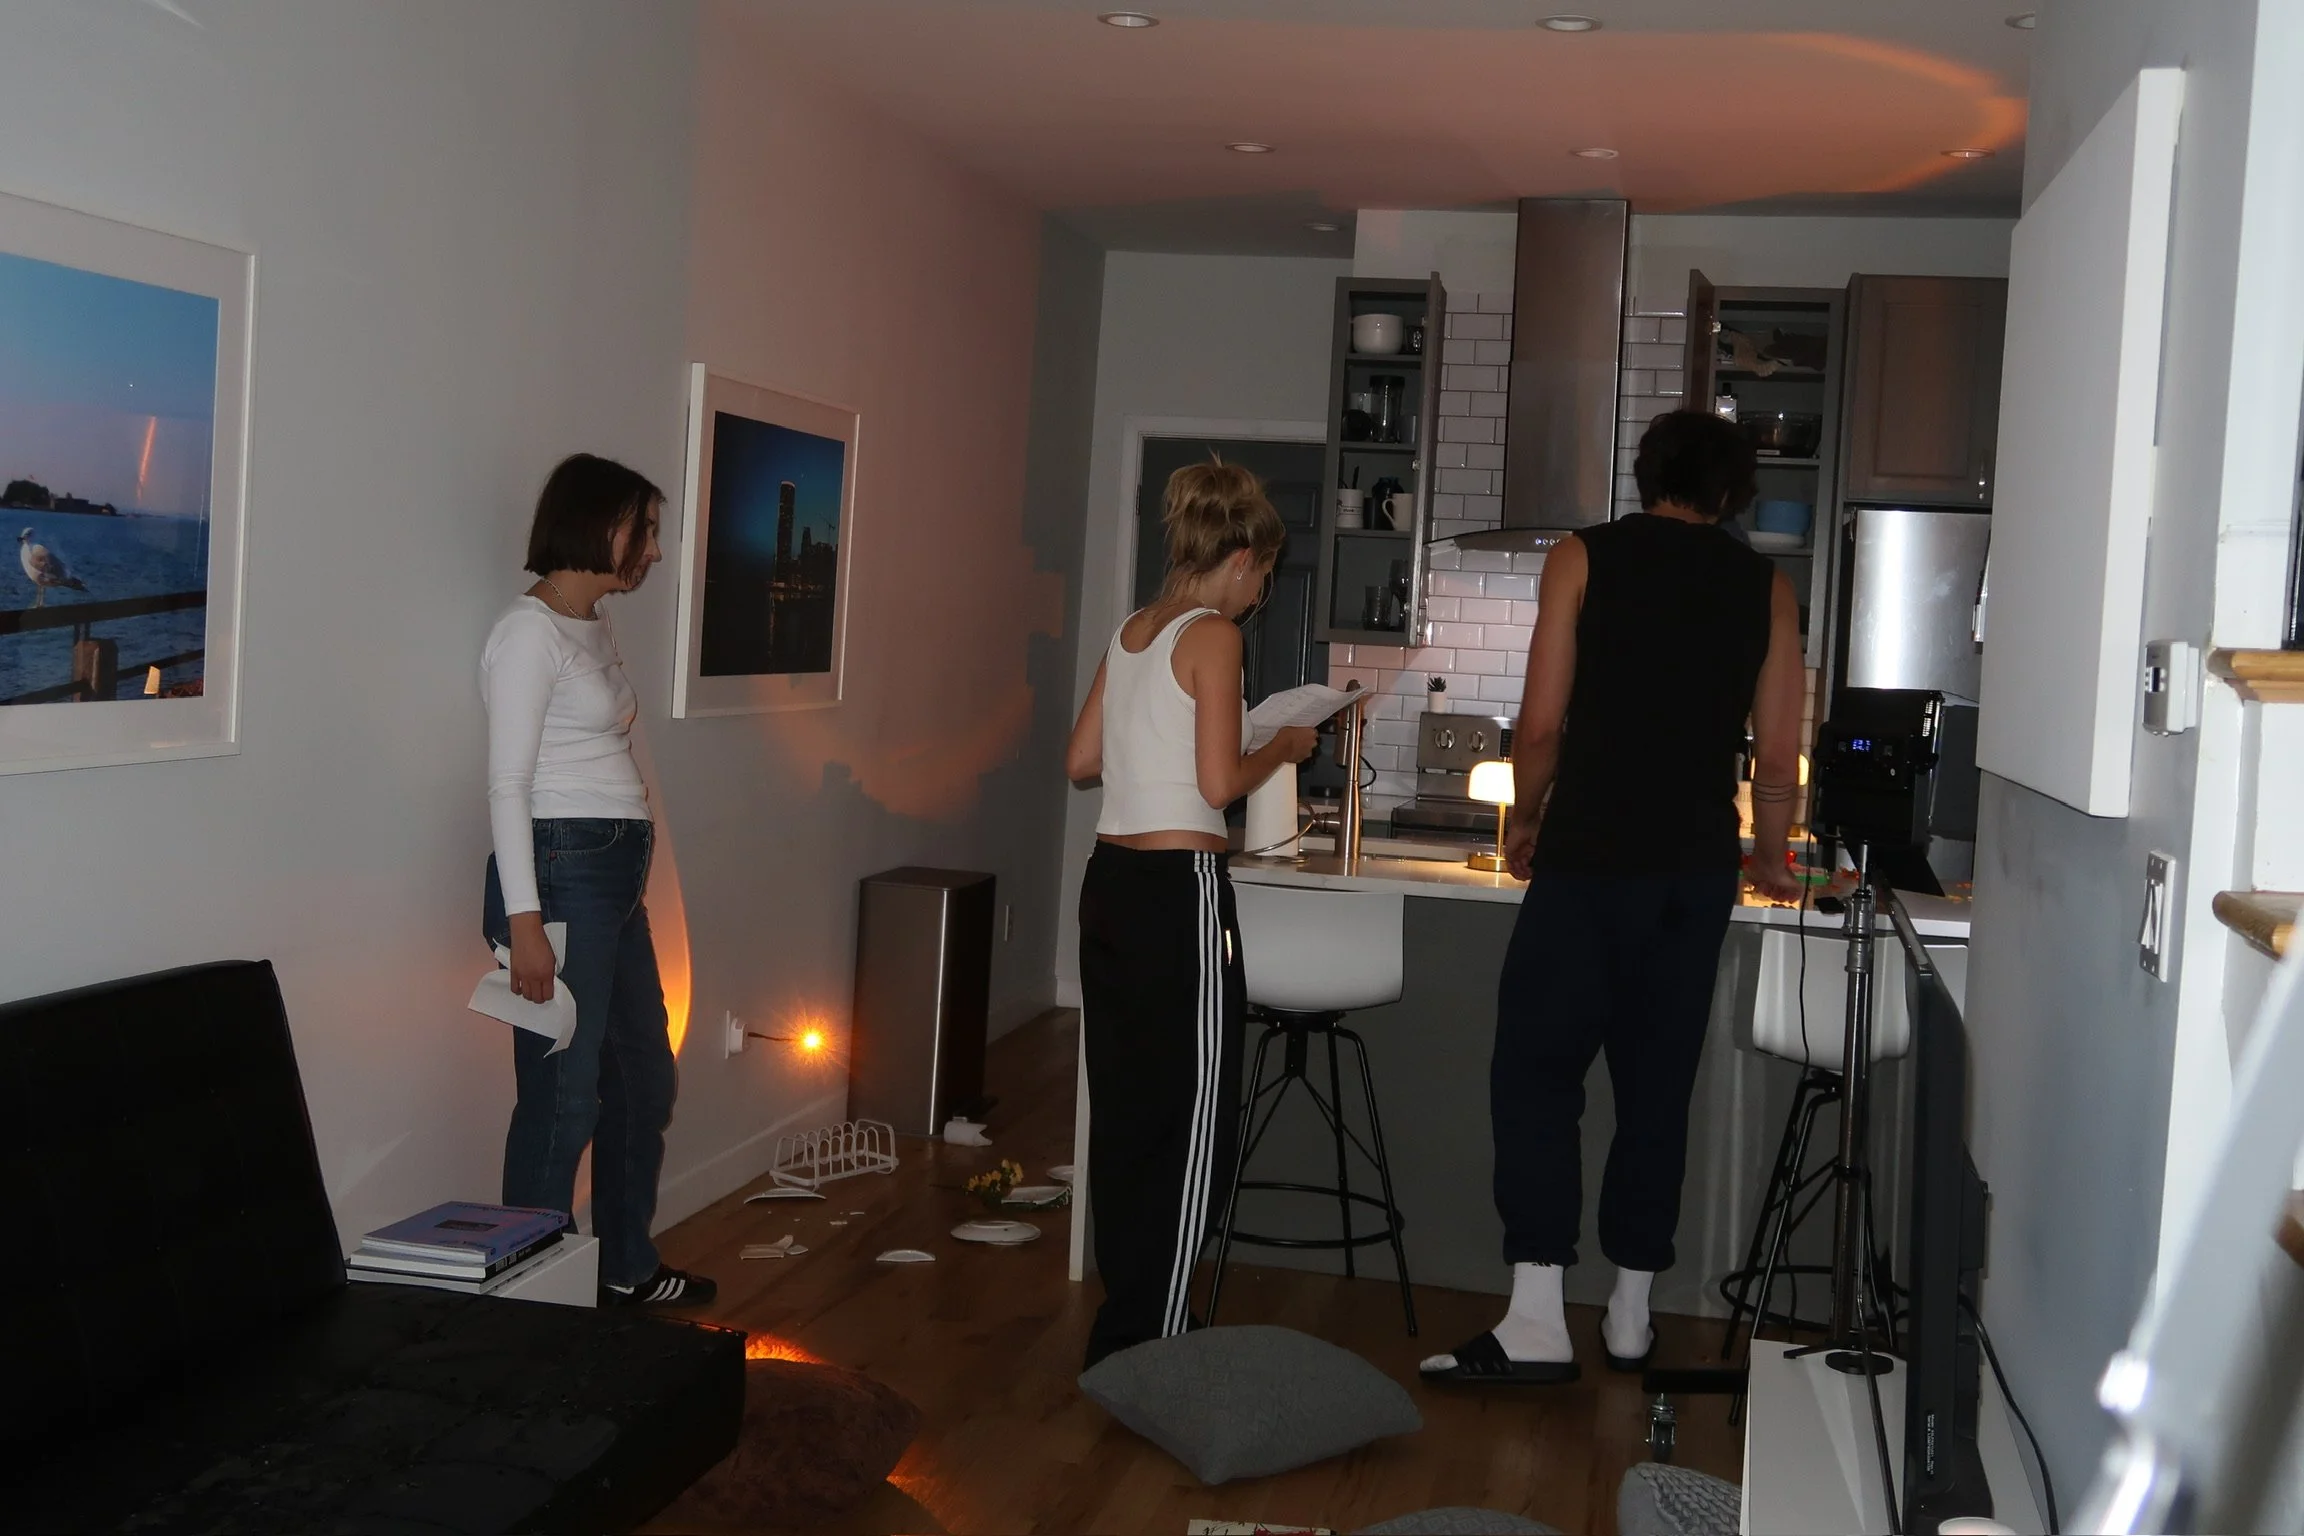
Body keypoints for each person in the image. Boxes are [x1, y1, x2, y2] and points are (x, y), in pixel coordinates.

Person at [1422, 411, 1805, 1384]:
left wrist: (1523, 819)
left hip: (1590, 859)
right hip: (1693, 873)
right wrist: (1768, 855)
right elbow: (1777, 752)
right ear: (1731, 494)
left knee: (1537, 1077)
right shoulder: (1766, 588)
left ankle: (1537, 1320)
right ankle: (1631, 1316)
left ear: (1645, 477)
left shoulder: (1581, 558)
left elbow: (1540, 725)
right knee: (1656, 1089)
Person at [1066, 459, 1320, 1368]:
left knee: (1127, 1110)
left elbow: (1081, 761)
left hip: (1110, 884)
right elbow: (1218, 786)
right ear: (1242, 558)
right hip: (1181, 893)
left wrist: (1187, 741)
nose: (1259, 597)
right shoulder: (1215, 635)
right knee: (1194, 1117)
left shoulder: (1133, 629)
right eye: (1264, 577)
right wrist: (1281, 746)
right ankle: (1156, 1339)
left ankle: (1126, 1322)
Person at [480, 452, 715, 1308]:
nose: (654, 549)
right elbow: (507, 785)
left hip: (610, 877)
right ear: (596, 523)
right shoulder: (526, 633)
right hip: (558, 877)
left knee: (643, 1078)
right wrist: (525, 923)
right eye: (643, 529)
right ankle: (530, 1303)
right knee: (562, 1101)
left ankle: (622, 1268)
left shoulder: (591, 623)